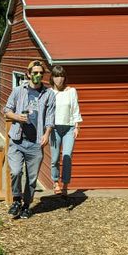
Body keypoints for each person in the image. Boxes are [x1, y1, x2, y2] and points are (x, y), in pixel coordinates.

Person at [3, 60, 56, 218]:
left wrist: (46, 134)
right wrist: (17, 117)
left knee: (32, 178)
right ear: (28, 74)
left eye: (41, 73)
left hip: (35, 143)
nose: (38, 75)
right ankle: (16, 200)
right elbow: (7, 110)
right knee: (16, 172)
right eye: (35, 73)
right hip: (18, 140)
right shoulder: (19, 91)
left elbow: (50, 119)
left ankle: (26, 205)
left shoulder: (49, 94)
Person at [49, 65, 82, 195]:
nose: (60, 79)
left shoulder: (71, 91)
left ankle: (65, 185)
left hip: (69, 128)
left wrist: (77, 127)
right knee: (55, 157)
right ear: (52, 77)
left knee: (67, 156)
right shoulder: (49, 93)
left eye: (62, 76)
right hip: (54, 128)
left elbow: (75, 109)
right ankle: (55, 182)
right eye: (57, 76)